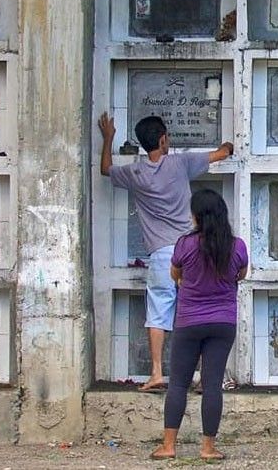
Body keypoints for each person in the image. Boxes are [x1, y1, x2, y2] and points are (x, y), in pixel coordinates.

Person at [98, 113, 234, 392]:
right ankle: (202, 375)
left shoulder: (135, 173)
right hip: (191, 250)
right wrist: (229, 146)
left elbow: (105, 168)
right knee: (198, 309)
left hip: (161, 255)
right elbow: (219, 154)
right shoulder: (180, 163)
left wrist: (109, 137)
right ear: (163, 139)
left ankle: (157, 373)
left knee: (158, 313)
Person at [151, 189, 248, 461]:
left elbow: (175, 274)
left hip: (189, 321)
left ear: (196, 216)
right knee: (212, 384)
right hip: (222, 322)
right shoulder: (237, 246)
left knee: (179, 384)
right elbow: (241, 274)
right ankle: (208, 448)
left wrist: (189, 282)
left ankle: (169, 446)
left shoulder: (185, 244)